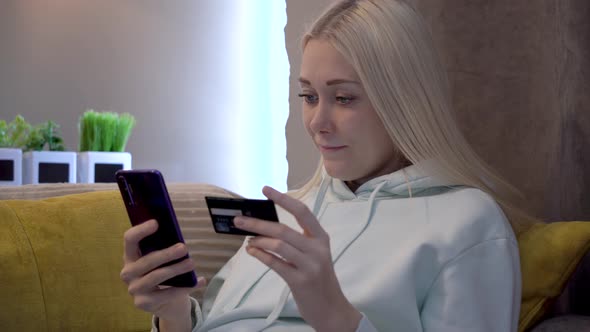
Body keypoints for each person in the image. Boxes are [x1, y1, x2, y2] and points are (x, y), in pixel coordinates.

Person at [121, 0, 532, 331]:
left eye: (344, 98)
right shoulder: (289, 214)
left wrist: (336, 316)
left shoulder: (467, 222)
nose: (317, 123)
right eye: (309, 97)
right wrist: (173, 313)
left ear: (404, 101)